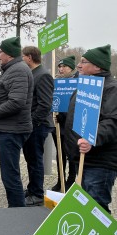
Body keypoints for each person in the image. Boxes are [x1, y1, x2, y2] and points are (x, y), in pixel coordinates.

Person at [64, 44, 117, 213]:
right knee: (85, 209)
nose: (78, 65)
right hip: (83, 159)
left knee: (96, 211)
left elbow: (112, 123)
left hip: (100, 162)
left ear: (97, 66)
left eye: (84, 61)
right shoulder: (85, 85)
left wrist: (91, 138)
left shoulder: (111, 89)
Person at [0, 36, 33, 207]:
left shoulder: (18, 70)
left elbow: (17, 102)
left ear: (8, 54)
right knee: (9, 173)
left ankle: (16, 211)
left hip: (12, 130)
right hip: (9, 128)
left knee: (10, 174)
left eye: (0, 51)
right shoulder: (13, 69)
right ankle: (15, 207)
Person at [21, 46, 55, 206]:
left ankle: (37, 194)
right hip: (32, 124)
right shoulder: (33, 73)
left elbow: (45, 105)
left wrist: (32, 123)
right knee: (30, 159)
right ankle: (32, 188)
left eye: (23, 57)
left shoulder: (43, 75)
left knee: (35, 160)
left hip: (37, 126)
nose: (22, 59)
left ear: (29, 57)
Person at [51, 55, 78, 192]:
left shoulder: (77, 82)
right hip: (58, 125)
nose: (61, 69)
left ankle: (71, 179)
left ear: (71, 68)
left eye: (64, 66)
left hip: (71, 125)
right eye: (59, 66)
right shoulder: (57, 82)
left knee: (71, 153)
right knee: (60, 153)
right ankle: (60, 179)